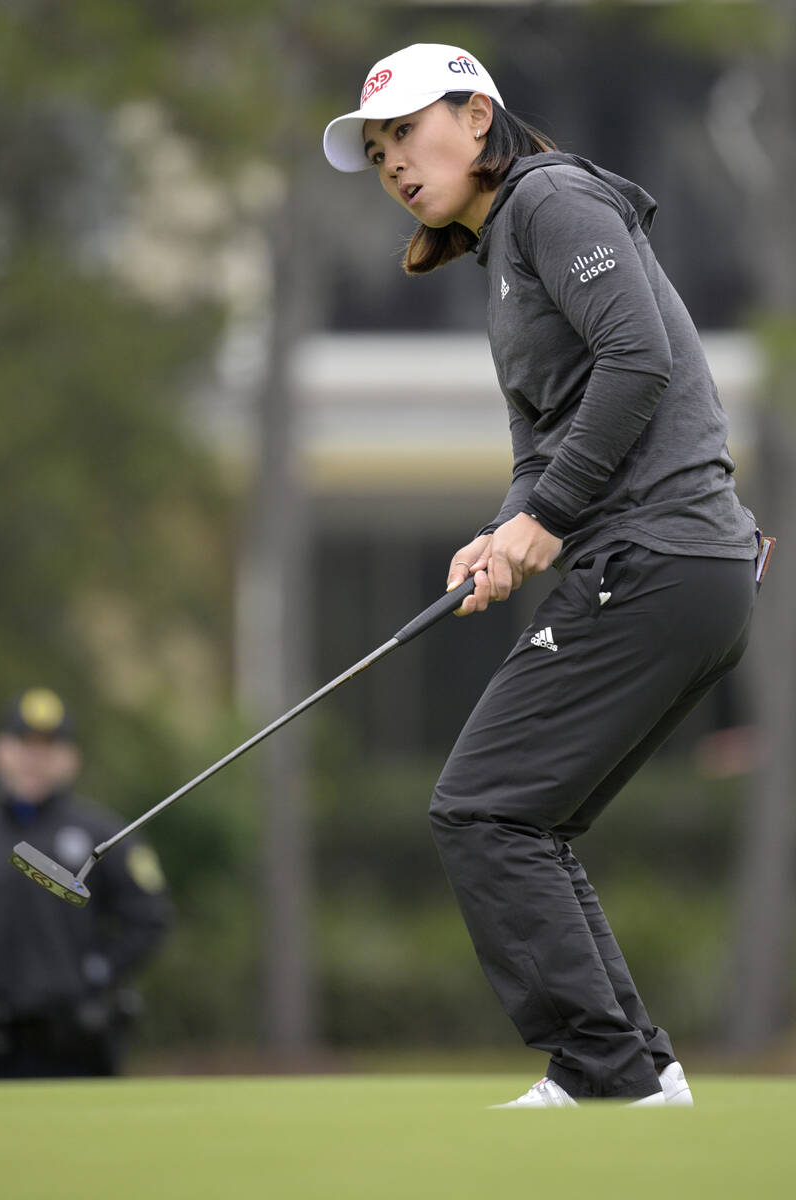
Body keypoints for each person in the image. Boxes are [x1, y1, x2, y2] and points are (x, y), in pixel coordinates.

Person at [323, 43, 760, 1106]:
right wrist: (503, 528)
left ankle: (604, 1069)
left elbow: (637, 359)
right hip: (665, 563)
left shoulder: (550, 199)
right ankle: (632, 1070)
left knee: (478, 808)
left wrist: (548, 519)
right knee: (516, 818)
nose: (391, 163)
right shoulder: (502, 252)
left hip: (656, 554)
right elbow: (544, 446)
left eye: (407, 132)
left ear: (476, 120)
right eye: (376, 149)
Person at [0, 687, 170, 1078]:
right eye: (24, 745)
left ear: (71, 759)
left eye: (48, 747)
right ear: (2, 750)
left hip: (75, 1039)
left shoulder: (103, 833)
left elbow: (149, 916)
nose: (34, 759)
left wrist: (99, 969)